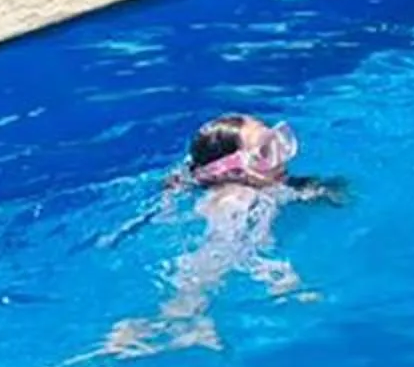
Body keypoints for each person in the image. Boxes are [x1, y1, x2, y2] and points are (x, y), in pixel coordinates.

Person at [106, 115, 347, 353]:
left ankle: (180, 324)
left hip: (213, 256)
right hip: (211, 262)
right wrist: (277, 274)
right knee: (191, 297)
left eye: (278, 142)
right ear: (230, 170)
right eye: (266, 152)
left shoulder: (261, 187)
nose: (281, 157)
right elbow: (226, 248)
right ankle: (167, 326)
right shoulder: (238, 199)